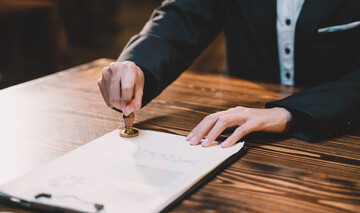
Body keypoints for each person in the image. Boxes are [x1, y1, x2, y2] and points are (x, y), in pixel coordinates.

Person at [98, 0, 360, 147]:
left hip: (338, 136)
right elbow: (184, 16)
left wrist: (288, 113)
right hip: (237, 138)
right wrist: (138, 65)